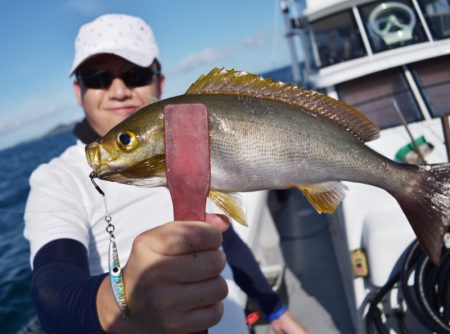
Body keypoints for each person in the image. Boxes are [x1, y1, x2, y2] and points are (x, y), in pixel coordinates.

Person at [24, 13, 309, 334]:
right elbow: (50, 289)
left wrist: (277, 310)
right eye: (98, 77)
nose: (119, 90)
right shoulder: (58, 180)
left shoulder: (189, 149)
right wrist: (117, 302)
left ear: (160, 82)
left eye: (136, 74)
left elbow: (225, 238)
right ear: (79, 91)